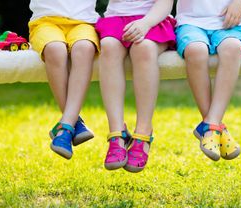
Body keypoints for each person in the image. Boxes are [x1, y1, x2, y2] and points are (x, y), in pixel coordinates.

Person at [95, 0, 175, 172]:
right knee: (108, 46)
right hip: (117, 19)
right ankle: (117, 133)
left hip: (153, 19)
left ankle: (143, 132)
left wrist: (145, 23)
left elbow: (165, 3)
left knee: (144, 47)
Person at [175, 0, 241, 161]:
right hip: (191, 21)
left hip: (228, 21)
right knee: (196, 50)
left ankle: (210, 124)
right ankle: (214, 125)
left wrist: (239, 3)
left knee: (233, 48)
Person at [28, 0, 100, 159]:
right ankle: (74, 122)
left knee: (85, 47)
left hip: (84, 22)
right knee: (55, 48)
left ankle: (66, 125)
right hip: (45, 22)